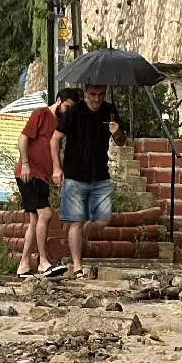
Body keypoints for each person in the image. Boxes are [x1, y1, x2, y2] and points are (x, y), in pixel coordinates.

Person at [50, 83, 128, 276]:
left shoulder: (109, 110)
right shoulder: (75, 111)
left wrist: (116, 131)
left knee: (102, 219)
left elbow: (121, 141)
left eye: (101, 95)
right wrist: (57, 168)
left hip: (100, 175)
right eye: (93, 94)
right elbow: (55, 138)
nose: (96, 99)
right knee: (76, 221)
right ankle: (77, 266)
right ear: (85, 93)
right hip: (75, 175)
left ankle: (75, 241)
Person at [14, 87, 76, 276]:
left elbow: (55, 151)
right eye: (67, 106)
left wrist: (59, 173)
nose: (68, 111)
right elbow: (23, 137)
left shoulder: (60, 125)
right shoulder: (41, 114)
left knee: (35, 220)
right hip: (29, 174)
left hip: (43, 177)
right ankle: (42, 261)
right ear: (58, 100)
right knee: (46, 214)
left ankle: (23, 265)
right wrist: (25, 164)